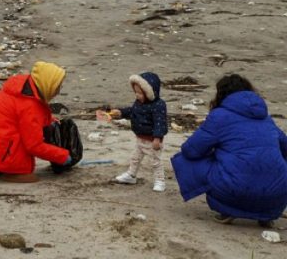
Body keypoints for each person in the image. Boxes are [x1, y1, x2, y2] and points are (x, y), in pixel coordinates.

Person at [172, 74, 287, 226]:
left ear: (221, 94)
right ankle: (266, 214)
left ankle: (228, 209)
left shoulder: (219, 116)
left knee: (185, 159)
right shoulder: (266, 118)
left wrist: (214, 153)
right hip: (277, 195)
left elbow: (191, 150)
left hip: (235, 191)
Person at [0, 61, 72, 182]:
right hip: (0, 146)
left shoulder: (20, 90)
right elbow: (34, 146)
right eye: (56, 87)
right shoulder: (29, 104)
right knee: (27, 174)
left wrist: (48, 120)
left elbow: (28, 119)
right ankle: (11, 170)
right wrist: (63, 156)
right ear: (47, 84)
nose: (58, 91)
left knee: (11, 131)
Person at [102, 72, 169, 192]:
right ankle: (131, 175)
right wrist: (121, 112)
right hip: (140, 138)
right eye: (136, 92)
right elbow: (132, 112)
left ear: (149, 92)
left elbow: (160, 123)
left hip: (152, 140)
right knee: (135, 158)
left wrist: (157, 138)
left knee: (155, 162)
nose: (137, 95)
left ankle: (160, 180)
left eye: (140, 93)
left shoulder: (158, 105)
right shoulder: (139, 103)